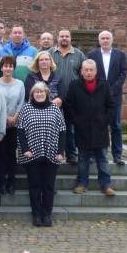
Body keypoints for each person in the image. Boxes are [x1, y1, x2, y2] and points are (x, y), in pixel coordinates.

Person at [17, 82, 66, 227]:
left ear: (47, 93)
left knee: (48, 186)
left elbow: (62, 130)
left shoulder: (54, 109)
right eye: (36, 92)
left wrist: (60, 151)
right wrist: (25, 149)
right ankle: (36, 215)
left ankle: (47, 214)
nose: (39, 94)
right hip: (31, 153)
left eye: (42, 92)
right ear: (32, 94)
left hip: (51, 153)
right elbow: (20, 130)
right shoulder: (26, 108)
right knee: (35, 185)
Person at [66, 59, 116, 196]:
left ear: (95, 71)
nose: (88, 73)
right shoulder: (74, 85)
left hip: (100, 128)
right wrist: (76, 121)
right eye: (86, 70)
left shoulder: (104, 85)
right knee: (83, 158)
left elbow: (111, 105)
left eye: (91, 70)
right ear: (81, 72)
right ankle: (82, 183)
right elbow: (69, 105)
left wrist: (106, 120)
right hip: (82, 129)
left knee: (102, 157)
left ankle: (106, 185)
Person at [88, 30, 127, 165]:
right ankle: (93, 153)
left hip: (114, 96)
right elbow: (90, 74)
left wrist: (111, 90)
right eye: (103, 38)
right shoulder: (92, 55)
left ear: (111, 40)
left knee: (116, 126)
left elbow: (123, 74)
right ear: (99, 41)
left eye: (107, 38)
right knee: (96, 125)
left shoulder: (120, 55)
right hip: (97, 96)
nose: (105, 40)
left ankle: (117, 155)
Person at [48, 30, 86, 165]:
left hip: (72, 97)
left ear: (70, 38)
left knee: (70, 127)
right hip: (53, 96)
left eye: (67, 36)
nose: (64, 38)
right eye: (62, 36)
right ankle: (53, 152)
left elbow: (83, 75)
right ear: (57, 38)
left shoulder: (79, 55)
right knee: (52, 126)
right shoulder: (50, 54)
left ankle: (71, 153)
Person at [0, 55, 25, 194]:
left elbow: (21, 103)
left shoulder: (19, 84)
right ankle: (1, 182)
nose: (8, 68)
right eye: (5, 66)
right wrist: (5, 118)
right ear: (1, 68)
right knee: (0, 154)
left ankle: (11, 182)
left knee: (11, 154)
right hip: (0, 124)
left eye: (10, 66)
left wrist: (14, 118)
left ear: (13, 68)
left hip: (14, 124)